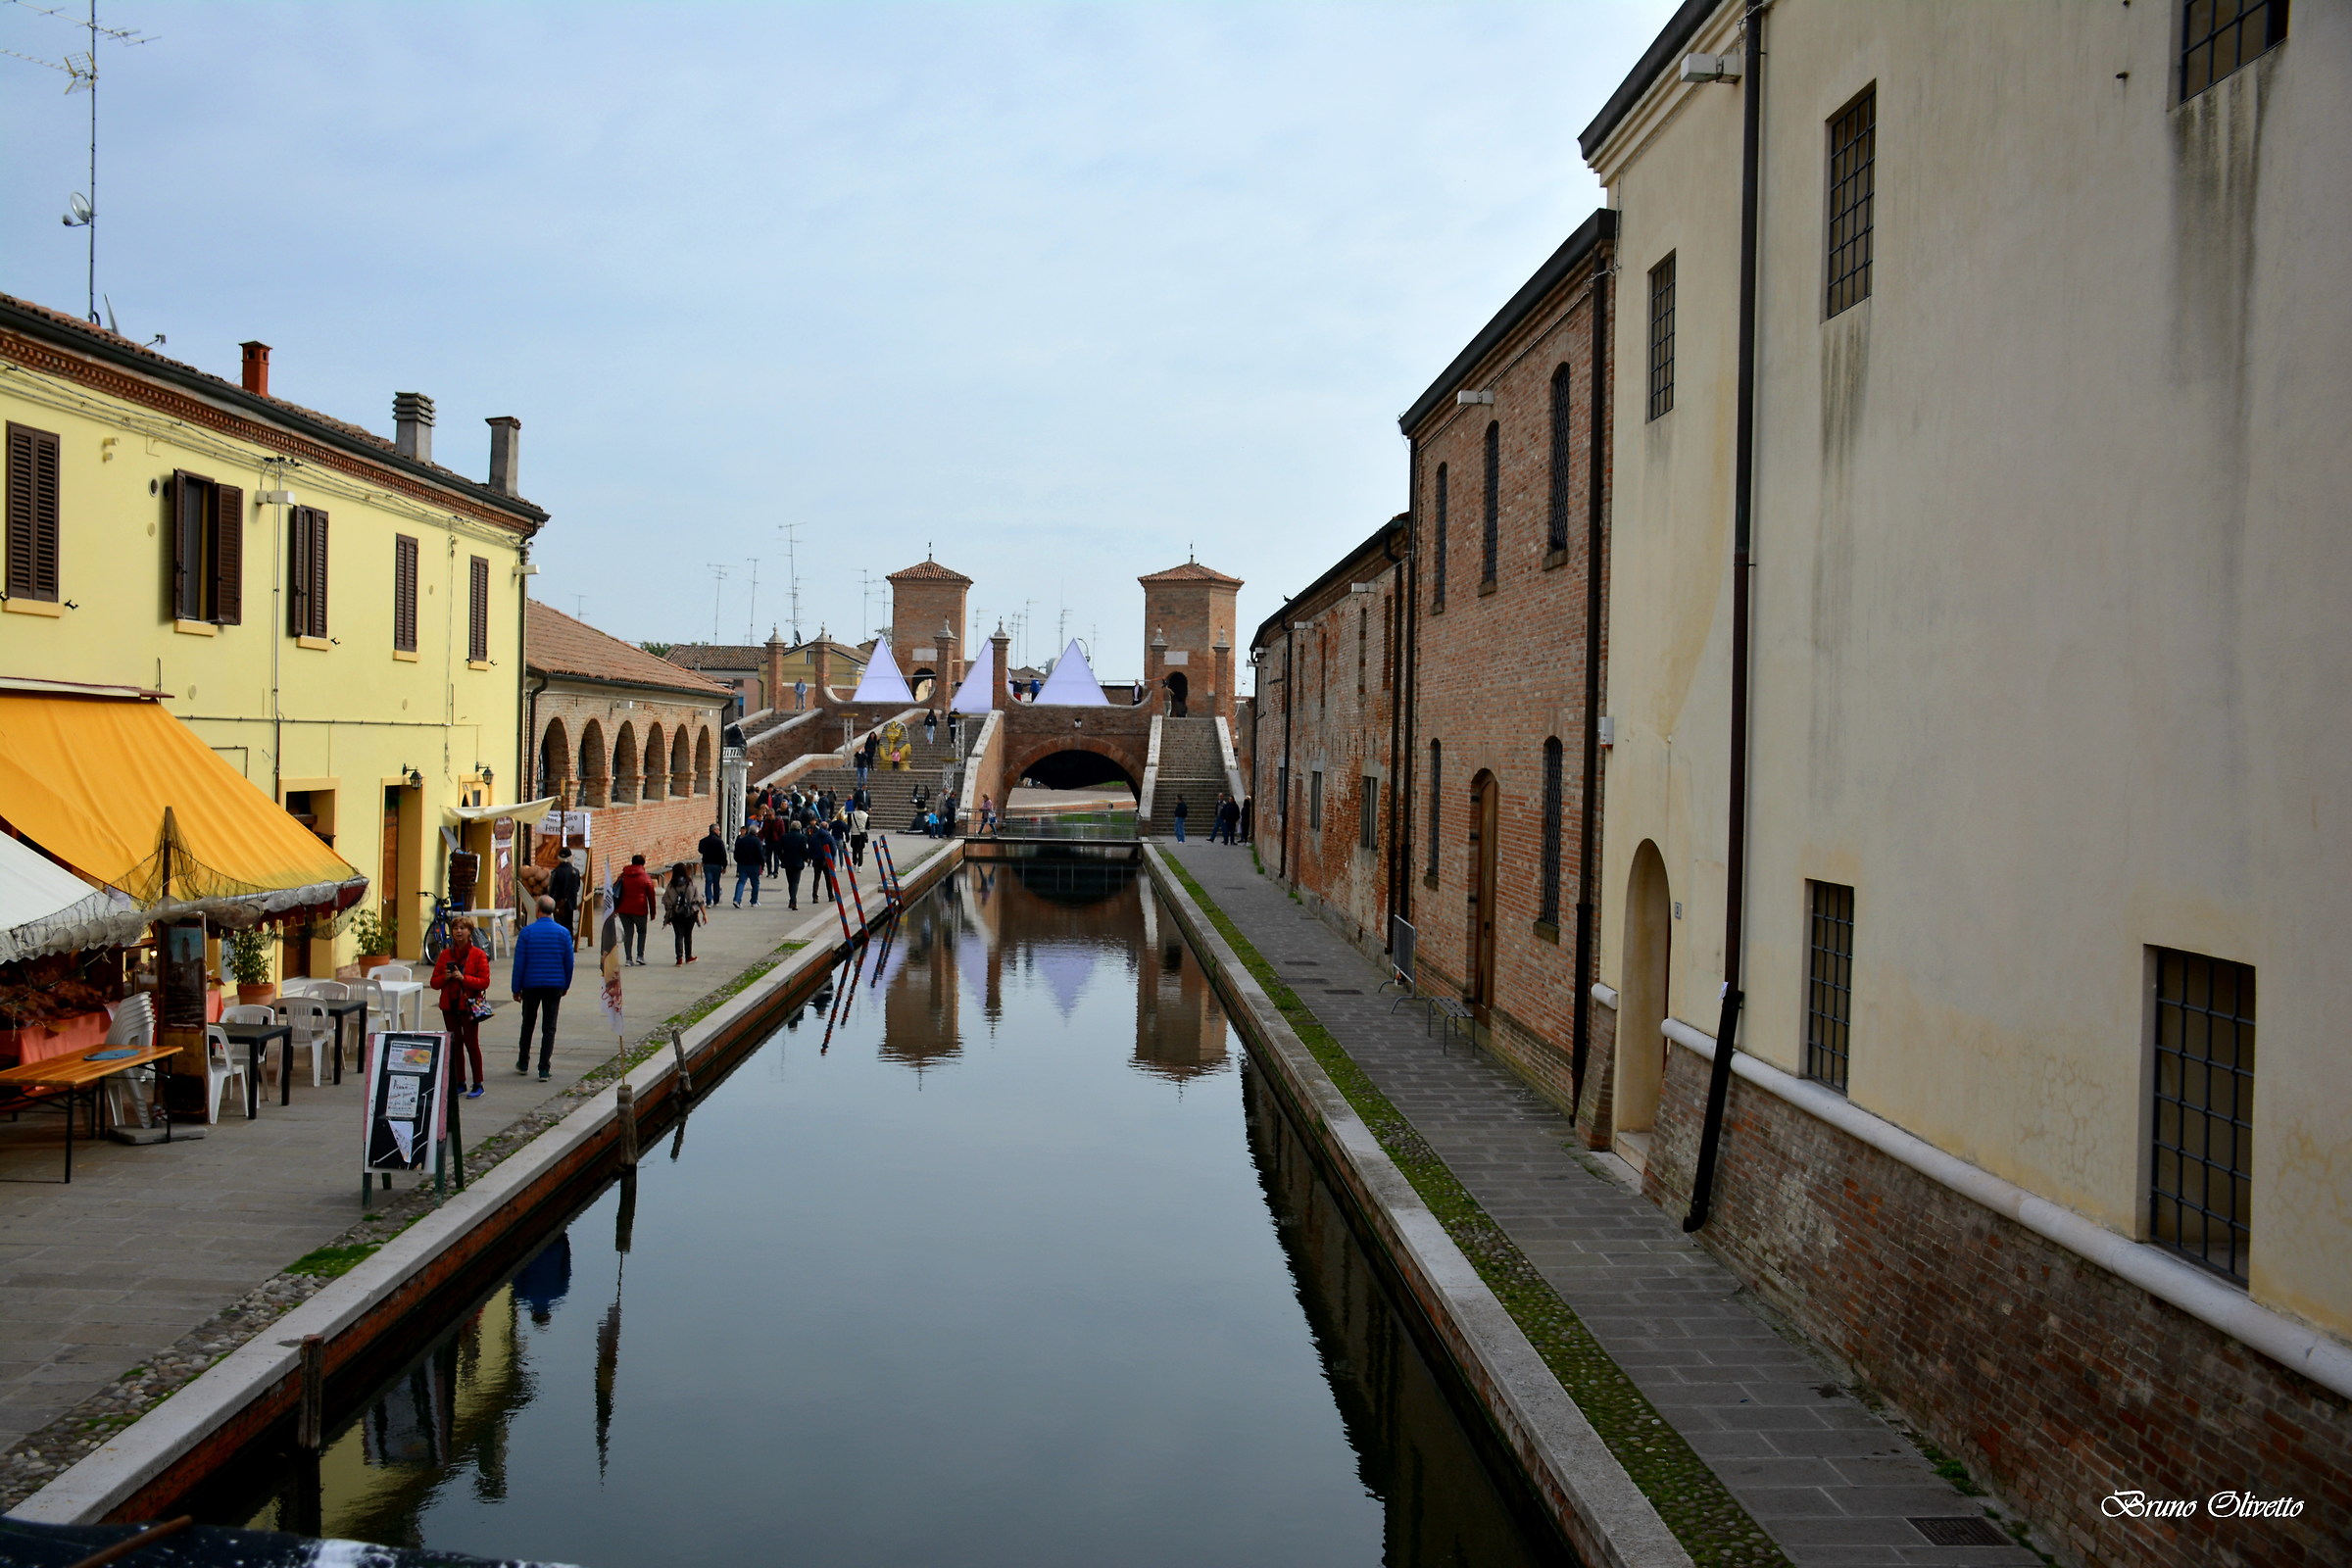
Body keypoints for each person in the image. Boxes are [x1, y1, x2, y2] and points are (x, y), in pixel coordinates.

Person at [511, 895, 574, 1082]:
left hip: (531, 985)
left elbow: (519, 963)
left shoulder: (527, 933)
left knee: (528, 1023)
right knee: (549, 1027)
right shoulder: (563, 933)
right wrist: (565, 984)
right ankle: (544, 1068)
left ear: (537, 910)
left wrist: (516, 988)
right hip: (554, 985)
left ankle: (523, 1062)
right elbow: (569, 963)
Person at [432, 915, 490, 1099]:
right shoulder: (445, 955)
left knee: (472, 1044)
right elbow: (434, 982)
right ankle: (459, 1081)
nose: (458, 931)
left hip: (469, 1005)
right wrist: (447, 977)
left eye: (462, 928)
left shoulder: (478, 955)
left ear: (469, 932)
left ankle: (478, 1083)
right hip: (450, 1006)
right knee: (455, 1045)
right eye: (455, 928)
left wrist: (464, 979)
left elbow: (484, 982)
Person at [614, 854, 656, 966]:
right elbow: (651, 896)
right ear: (643, 864)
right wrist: (653, 912)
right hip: (640, 909)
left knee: (628, 933)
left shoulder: (623, 875)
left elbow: (615, 890)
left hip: (624, 908)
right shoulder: (645, 877)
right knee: (641, 932)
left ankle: (628, 958)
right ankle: (640, 956)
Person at [663, 861, 704, 965]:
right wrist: (704, 914)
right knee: (688, 935)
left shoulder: (670, 886)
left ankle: (679, 958)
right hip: (690, 913)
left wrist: (667, 917)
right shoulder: (691, 883)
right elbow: (699, 900)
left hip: (675, 914)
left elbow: (666, 902)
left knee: (678, 935)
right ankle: (689, 956)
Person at [548, 848, 582, 949]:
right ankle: (569, 944)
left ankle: (559, 944)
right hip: (570, 903)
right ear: (571, 857)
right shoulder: (575, 872)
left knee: (558, 924)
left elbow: (552, 890)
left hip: (558, 903)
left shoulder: (556, 872)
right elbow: (577, 888)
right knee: (569, 924)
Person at [732, 821, 764, 906]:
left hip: (742, 864)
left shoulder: (742, 840)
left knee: (741, 882)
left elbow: (736, 852)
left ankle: (737, 899)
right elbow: (760, 854)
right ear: (756, 833)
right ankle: (754, 901)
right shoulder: (757, 841)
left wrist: (738, 860)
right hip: (754, 865)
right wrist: (762, 863)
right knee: (755, 883)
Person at [780, 819, 810, 908]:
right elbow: (804, 850)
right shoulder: (802, 837)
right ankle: (793, 900)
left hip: (787, 862)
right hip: (798, 862)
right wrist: (806, 858)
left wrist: (782, 858)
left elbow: (779, 849)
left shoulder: (784, 837)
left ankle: (792, 899)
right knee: (795, 882)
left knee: (790, 882)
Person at [698, 822, 727, 905]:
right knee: (716, 882)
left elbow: (700, 850)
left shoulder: (703, 841)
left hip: (707, 864)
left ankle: (708, 900)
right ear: (715, 830)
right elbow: (723, 854)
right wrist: (724, 866)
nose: (719, 832)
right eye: (718, 830)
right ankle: (716, 899)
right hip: (717, 865)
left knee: (708, 882)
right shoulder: (719, 841)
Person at [849, 802, 870, 866]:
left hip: (854, 834)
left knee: (854, 849)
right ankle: (860, 865)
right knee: (861, 850)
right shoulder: (866, 815)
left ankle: (854, 862)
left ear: (857, 807)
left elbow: (849, 825)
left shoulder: (852, 814)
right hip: (862, 834)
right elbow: (868, 826)